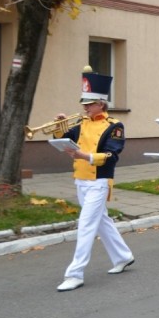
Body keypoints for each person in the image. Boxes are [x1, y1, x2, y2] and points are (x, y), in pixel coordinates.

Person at [56, 67, 134, 292]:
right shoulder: (81, 123)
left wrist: (85, 156)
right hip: (80, 178)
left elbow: (112, 155)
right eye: (84, 104)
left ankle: (75, 273)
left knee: (87, 224)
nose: (85, 107)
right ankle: (123, 256)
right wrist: (61, 125)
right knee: (101, 221)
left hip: (99, 181)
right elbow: (63, 139)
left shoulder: (114, 126)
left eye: (89, 104)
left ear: (101, 103)